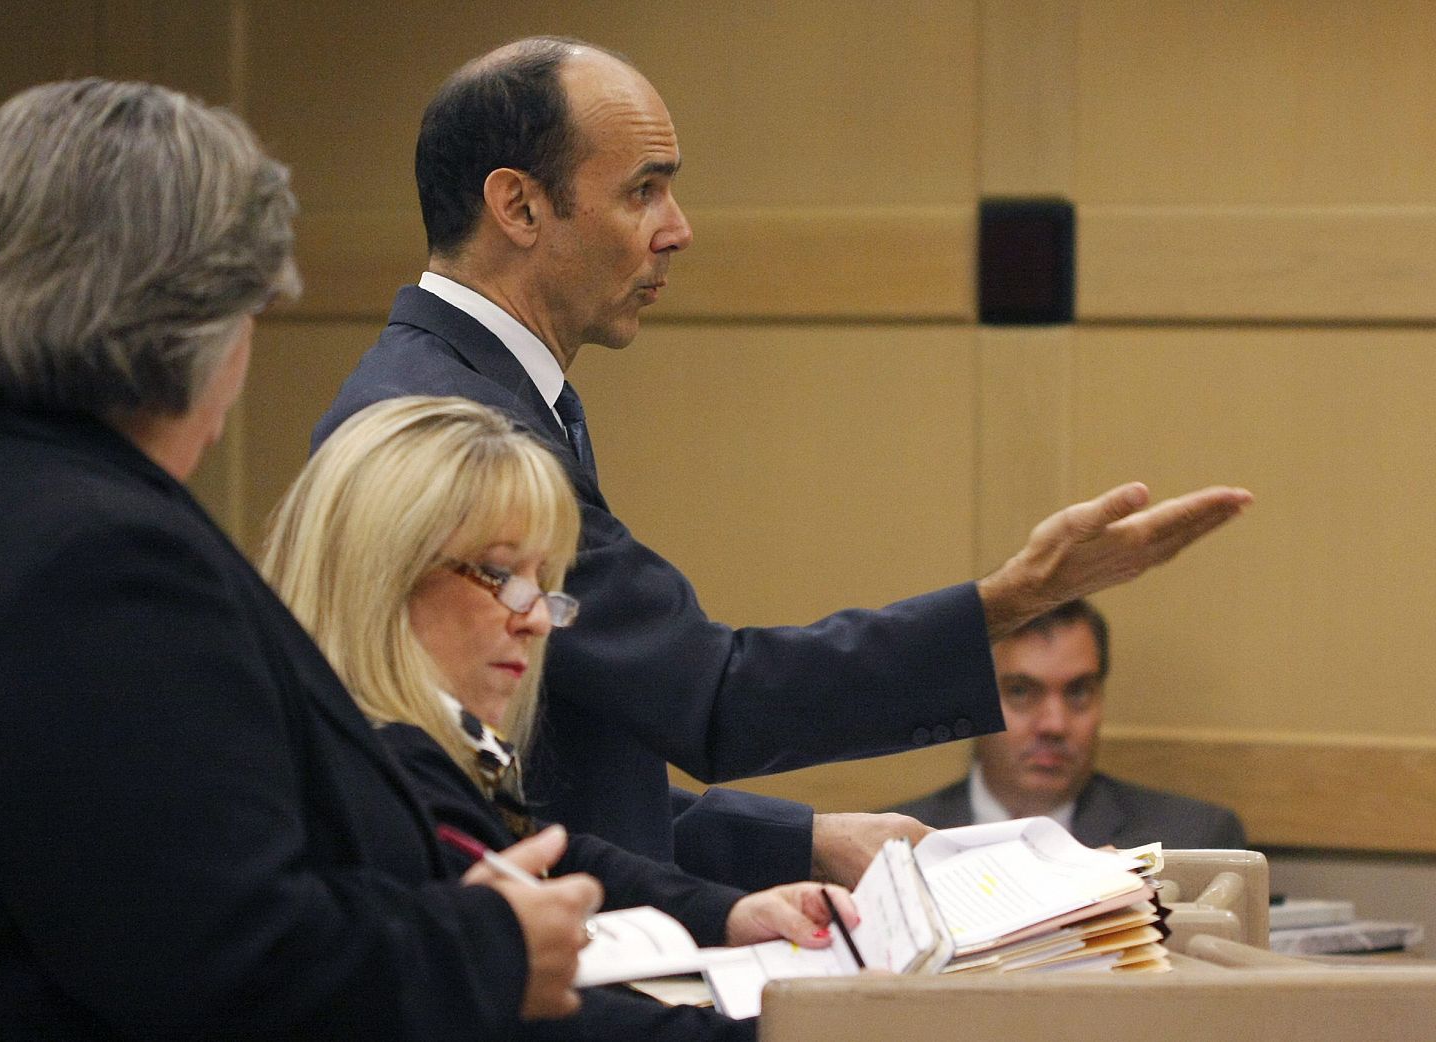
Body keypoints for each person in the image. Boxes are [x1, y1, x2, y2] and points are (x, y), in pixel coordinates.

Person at [312, 35, 1252, 892]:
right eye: (643, 190)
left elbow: (569, 773)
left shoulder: (480, 387)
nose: (678, 228)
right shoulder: (459, 421)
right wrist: (1015, 596)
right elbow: (712, 698)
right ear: (518, 205)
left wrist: (801, 839)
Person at [0, 79, 601, 1040]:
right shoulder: (102, 561)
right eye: (248, 314)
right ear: (189, 318)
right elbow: (220, 957)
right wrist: (488, 945)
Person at [262, 393, 873, 1041]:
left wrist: (729, 914)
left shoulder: (421, 751)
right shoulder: (360, 786)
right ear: (380, 570)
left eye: (543, 580)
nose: (534, 618)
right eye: (500, 574)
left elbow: (554, 858)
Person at [885, 600, 1247, 849]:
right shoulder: (891, 845)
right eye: (1021, 692)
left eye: (1078, 692)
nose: (1054, 725)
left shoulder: (1192, 838)